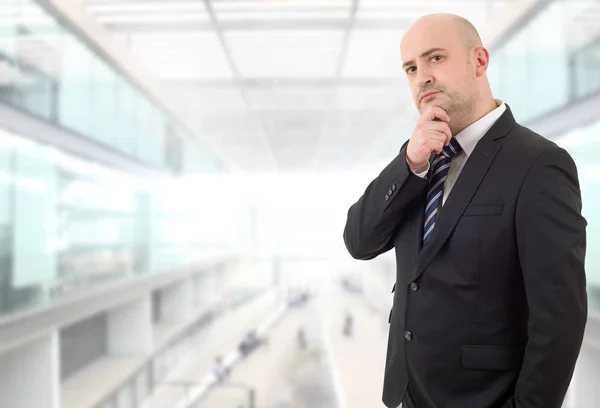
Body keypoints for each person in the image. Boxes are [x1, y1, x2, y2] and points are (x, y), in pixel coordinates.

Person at [342, 13, 587, 408]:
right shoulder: (418, 159)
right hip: (406, 395)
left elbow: (559, 320)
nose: (421, 76)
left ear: (479, 61)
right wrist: (410, 162)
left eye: (435, 58)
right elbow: (359, 241)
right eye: (410, 68)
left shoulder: (539, 165)